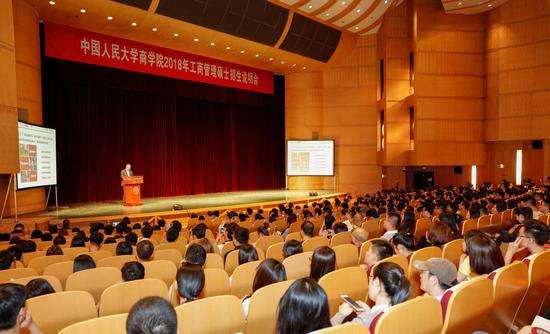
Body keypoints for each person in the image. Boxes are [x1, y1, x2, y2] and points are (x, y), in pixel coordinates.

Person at [331, 262, 411, 332]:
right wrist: (369, 313)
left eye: (370, 277)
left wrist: (341, 314)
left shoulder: (363, 322)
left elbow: (326, 332)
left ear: (376, 282)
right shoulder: (402, 310)